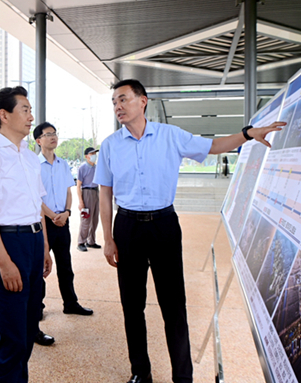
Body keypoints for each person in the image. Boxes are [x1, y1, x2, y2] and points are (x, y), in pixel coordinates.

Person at [94, 79, 285, 383]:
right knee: (132, 304)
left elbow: (214, 146)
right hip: (127, 227)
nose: (118, 106)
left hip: (164, 226)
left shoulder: (171, 136)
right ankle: (140, 372)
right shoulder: (110, 145)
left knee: (174, 305)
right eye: (114, 102)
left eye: (123, 99)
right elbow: (105, 192)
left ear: (143, 101)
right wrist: (107, 238)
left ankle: (183, 377)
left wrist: (248, 134)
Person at [0, 86, 52, 382]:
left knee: (30, 326)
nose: (31, 117)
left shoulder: (29, 157)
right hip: (6, 244)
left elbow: (36, 208)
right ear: (4, 115)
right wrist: (4, 262)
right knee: (13, 334)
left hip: (31, 241)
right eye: (25, 110)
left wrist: (43, 248)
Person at [34, 122, 93, 317]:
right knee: (40, 267)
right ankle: (38, 308)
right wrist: (52, 215)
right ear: (38, 140)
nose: (53, 137)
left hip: (63, 221)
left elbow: (68, 190)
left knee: (65, 266)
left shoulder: (63, 164)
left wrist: (67, 212)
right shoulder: (34, 165)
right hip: (44, 223)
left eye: (55, 133)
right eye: (48, 134)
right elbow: (34, 197)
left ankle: (70, 303)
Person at [76, 146, 100, 252]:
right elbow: (78, 186)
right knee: (86, 219)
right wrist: (81, 201)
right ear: (87, 156)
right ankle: (81, 242)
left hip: (96, 192)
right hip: (87, 192)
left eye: (95, 153)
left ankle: (91, 241)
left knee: (95, 218)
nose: (94, 155)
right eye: (92, 154)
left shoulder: (97, 167)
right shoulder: (82, 168)